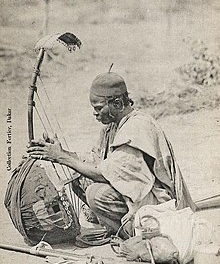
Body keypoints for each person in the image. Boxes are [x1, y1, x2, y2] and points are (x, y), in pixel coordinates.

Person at [28, 72, 196, 237]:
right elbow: (95, 160)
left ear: (117, 103)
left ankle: (130, 234)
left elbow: (103, 174)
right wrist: (62, 151)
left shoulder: (136, 128)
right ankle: (115, 224)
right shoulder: (114, 127)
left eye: (99, 108)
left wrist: (60, 157)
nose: (95, 113)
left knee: (95, 194)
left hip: (157, 203)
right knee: (79, 179)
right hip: (134, 193)